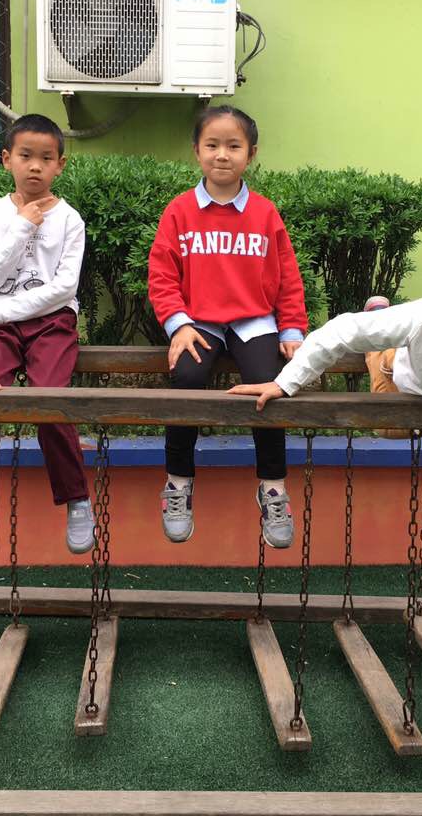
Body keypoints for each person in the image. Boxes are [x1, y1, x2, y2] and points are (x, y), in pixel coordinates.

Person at [147, 106, 308, 548]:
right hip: (198, 322)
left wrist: (292, 330)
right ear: (197, 151)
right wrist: (178, 324)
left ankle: (273, 487)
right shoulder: (180, 211)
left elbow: (288, 277)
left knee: (266, 386)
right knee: (187, 380)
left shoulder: (264, 213)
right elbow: (161, 275)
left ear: (250, 154)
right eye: (212, 145)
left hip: (253, 320)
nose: (222, 154)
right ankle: (178, 481)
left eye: (233, 146)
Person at [229, 242, 422, 464]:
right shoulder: (421, 319)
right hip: (402, 372)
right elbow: (341, 331)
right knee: (385, 423)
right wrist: (285, 383)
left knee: (409, 426)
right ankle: (381, 340)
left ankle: (381, 319)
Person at [0, 114, 93, 566]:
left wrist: (4, 311)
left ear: (60, 165)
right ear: (7, 159)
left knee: (51, 403)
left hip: (51, 323)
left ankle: (77, 500)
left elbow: (64, 289)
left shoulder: (70, 220)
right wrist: (24, 224)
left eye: (46, 158)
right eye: (26, 156)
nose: (35, 166)